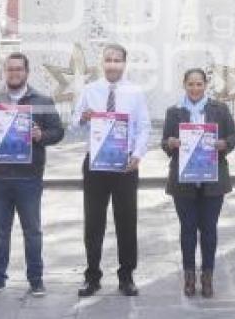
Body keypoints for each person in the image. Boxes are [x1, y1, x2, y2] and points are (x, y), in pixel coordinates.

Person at [0, 52, 64, 297]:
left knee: (32, 231)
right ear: (4, 72)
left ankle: (36, 280)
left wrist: (41, 135)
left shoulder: (41, 100)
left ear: (26, 72)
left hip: (28, 178)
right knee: (0, 233)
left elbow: (58, 131)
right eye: (10, 69)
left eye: (19, 69)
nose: (14, 73)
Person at [73, 43, 151, 297]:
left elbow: (144, 128)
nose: (113, 64)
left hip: (125, 165)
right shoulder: (89, 90)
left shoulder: (135, 92)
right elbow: (75, 124)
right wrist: (83, 118)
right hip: (95, 164)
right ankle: (92, 276)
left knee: (126, 222)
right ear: (102, 63)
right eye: (108, 60)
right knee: (93, 222)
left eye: (117, 60)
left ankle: (126, 276)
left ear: (124, 64)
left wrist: (137, 155)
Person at [161, 68, 235, 298]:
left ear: (206, 85)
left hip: (213, 180)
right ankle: (189, 276)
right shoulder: (174, 111)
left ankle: (207, 275)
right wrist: (171, 143)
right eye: (190, 84)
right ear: (184, 85)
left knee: (208, 231)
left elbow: (233, 136)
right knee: (187, 230)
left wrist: (224, 144)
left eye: (199, 84)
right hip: (184, 182)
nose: (195, 88)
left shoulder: (220, 109)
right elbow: (164, 142)